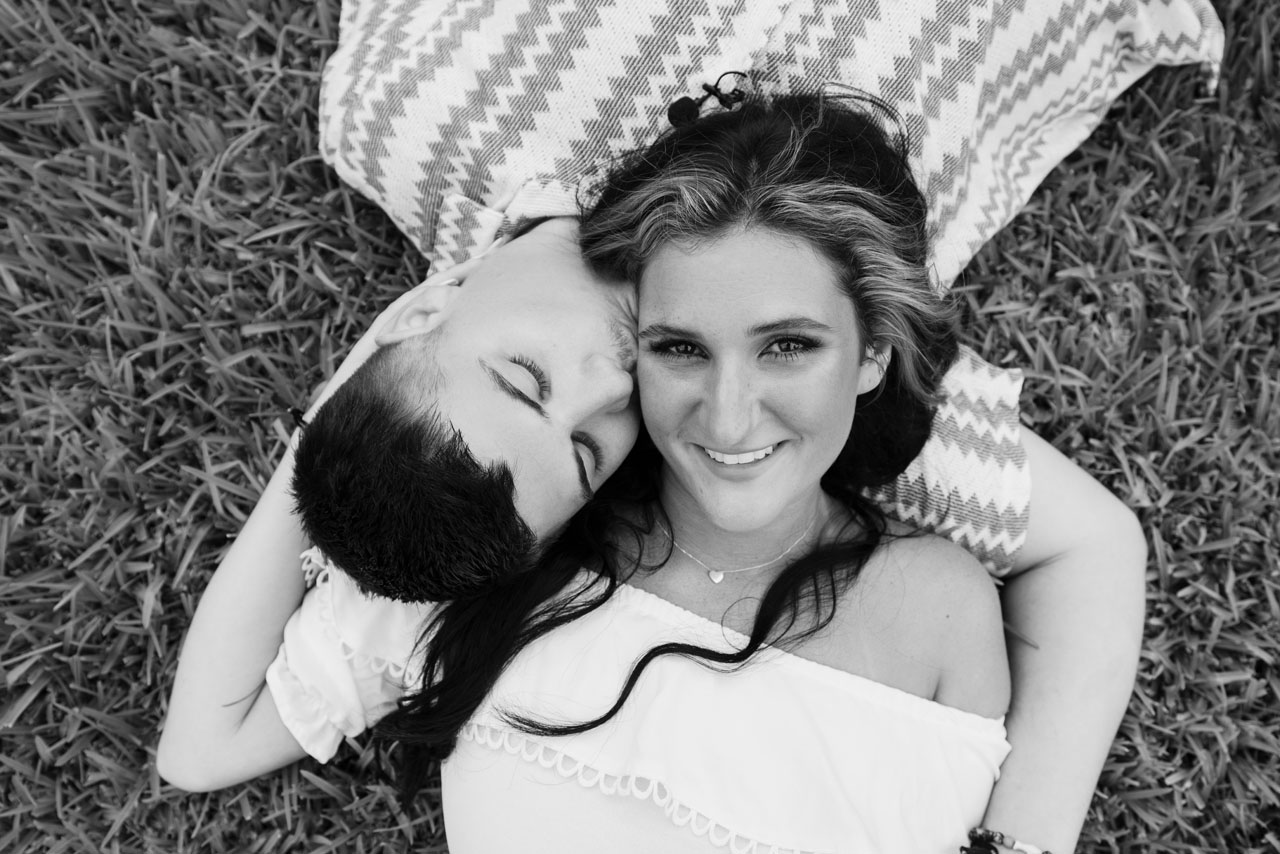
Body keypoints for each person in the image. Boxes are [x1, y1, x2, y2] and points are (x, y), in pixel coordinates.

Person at [170, 92, 1016, 853]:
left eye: (523, 380)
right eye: (587, 452)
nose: (612, 384)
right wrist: (338, 416)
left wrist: (383, 359)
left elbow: (1077, 542)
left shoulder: (456, 133)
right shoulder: (484, 548)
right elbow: (201, 747)